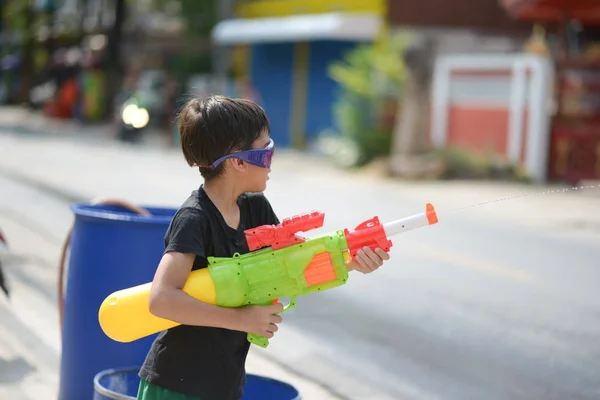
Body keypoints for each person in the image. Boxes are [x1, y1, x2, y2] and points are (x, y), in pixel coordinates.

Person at [136, 95, 391, 400]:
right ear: (239, 161)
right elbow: (161, 299)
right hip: (176, 386)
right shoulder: (195, 218)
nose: (272, 160)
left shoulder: (255, 209)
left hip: (224, 385)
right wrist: (241, 320)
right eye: (266, 151)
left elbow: (290, 268)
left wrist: (352, 260)